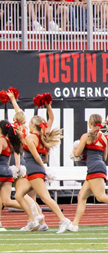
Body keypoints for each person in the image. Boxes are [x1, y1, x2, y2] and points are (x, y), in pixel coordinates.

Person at [10, 94, 71, 232]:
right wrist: (48, 104)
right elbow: (51, 118)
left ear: (34, 125)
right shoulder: (42, 134)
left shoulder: (31, 137)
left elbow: (37, 156)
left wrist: (44, 168)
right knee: (19, 195)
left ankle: (63, 220)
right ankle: (33, 220)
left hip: (35, 170)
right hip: (31, 172)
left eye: (30, 123)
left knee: (45, 198)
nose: (28, 125)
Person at [70, 114, 108, 231]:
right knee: (81, 196)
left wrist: (75, 149)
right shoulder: (103, 137)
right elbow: (104, 156)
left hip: (94, 168)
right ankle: (74, 224)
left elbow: (77, 153)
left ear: (89, 124)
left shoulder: (86, 136)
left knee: (101, 196)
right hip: (99, 166)